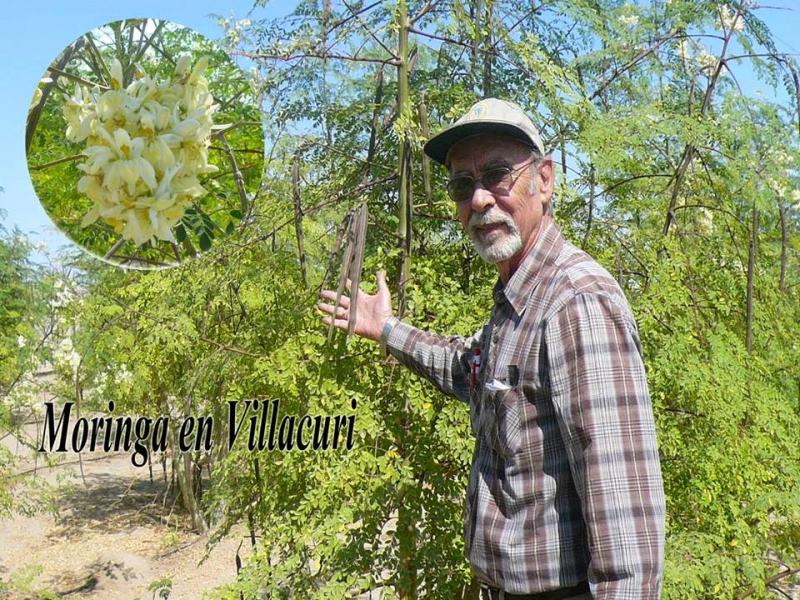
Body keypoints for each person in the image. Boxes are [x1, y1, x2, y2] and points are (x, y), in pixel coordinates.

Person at [318, 98, 666, 600]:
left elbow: (627, 529)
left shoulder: (575, 302)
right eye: (463, 185)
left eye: (497, 175)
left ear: (543, 179)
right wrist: (386, 329)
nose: (479, 199)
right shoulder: (518, 294)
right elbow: (471, 370)